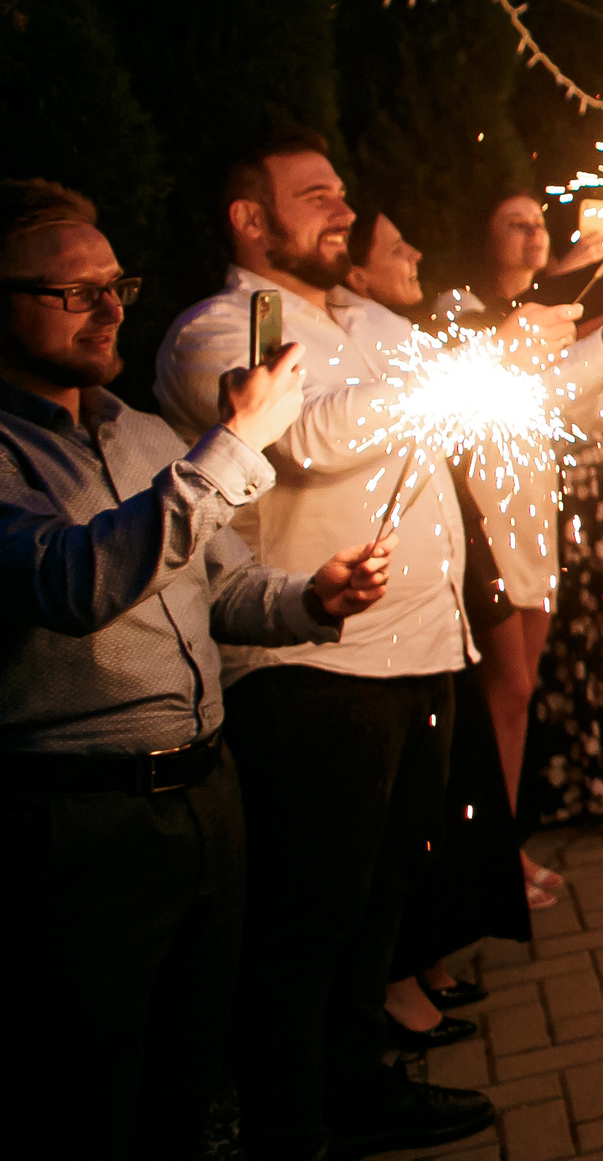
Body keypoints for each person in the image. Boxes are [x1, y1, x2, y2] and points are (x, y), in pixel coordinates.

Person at [0, 178, 393, 1161]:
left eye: (115, 283)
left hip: (207, 795)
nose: (109, 307)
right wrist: (232, 445)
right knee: (87, 1092)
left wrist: (311, 598)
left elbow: (213, 587)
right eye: (73, 291)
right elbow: (75, 581)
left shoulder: (137, 434)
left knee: (186, 1075)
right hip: (79, 824)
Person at [155, 128, 528, 1159]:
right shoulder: (214, 331)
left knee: (382, 896)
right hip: (316, 669)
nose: (341, 207)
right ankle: (293, 1126)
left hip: (418, 652)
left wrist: (593, 353)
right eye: (313, 193)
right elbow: (307, 441)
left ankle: (361, 1086)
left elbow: (482, 405)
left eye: (341, 189)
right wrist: (450, 367)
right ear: (249, 218)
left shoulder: (368, 320)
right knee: (307, 918)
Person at [429, 191, 603, 888]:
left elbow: (564, 398)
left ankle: (503, 847)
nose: (534, 233)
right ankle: (480, 860)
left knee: (519, 692)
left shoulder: (555, 314)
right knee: (500, 692)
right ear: (482, 235)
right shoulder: (462, 312)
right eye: (515, 222)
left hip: (535, 509)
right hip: (484, 514)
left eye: (540, 222)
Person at [342, 205, 533, 1043]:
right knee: (385, 834)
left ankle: (425, 958)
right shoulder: (322, 342)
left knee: (430, 801)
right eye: (394, 245)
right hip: (368, 625)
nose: (416, 247)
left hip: (447, 579)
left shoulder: (394, 332)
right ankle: (391, 988)